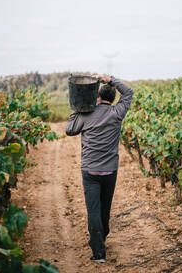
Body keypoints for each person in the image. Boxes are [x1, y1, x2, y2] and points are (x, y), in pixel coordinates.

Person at [66, 74, 133, 263]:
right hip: (110, 171)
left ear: (97, 97)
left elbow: (70, 130)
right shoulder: (117, 112)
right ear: (112, 99)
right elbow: (128, 92)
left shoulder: (86, 114)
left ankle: (98, 253)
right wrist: (110, 79)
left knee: (93, 211)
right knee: (105, 209)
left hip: (90, 171)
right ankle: (101, 239)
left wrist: (77, 109)